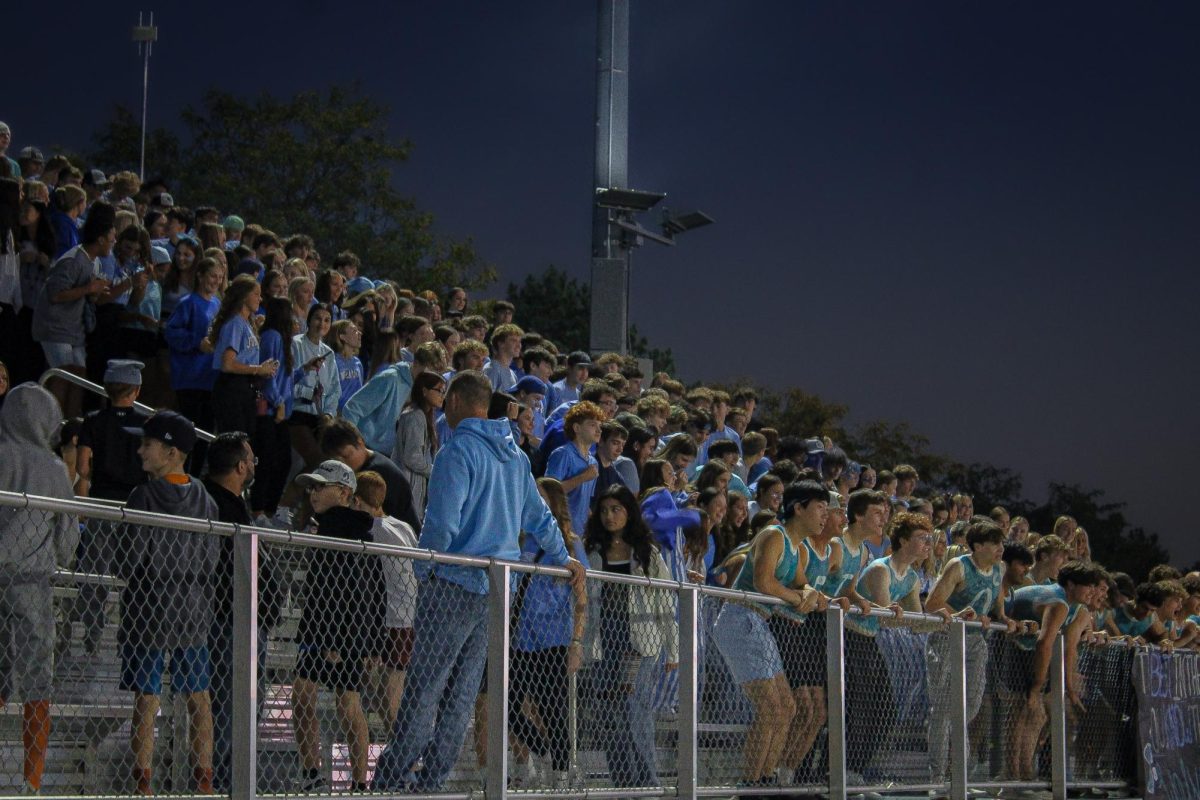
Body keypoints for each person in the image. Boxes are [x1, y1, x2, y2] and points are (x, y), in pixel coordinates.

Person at [372, 370, 586, 792]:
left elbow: (442, 527)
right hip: (497, 590)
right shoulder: (516, 456)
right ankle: (429, 782)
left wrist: (424, 569)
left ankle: (390, 782)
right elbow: (540, 519)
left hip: (453, 583)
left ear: (454, 402)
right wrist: (565, 557)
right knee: (462, 698)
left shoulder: (458, 450)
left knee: (424, 690)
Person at [115, 411, 219, 795]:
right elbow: (211, 559)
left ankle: (143, 783)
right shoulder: (204, 499)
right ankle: (202, 779)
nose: (140, 450)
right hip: (193, 610)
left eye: (147, 444)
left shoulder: (143, 496)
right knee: (199, 697)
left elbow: (128, 559)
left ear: (173, 452)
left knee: (147, 697)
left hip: (149, 609)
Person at [711, 480, 828, 793]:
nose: (825, 516)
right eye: (819, 508)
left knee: (786, 708)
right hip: (739, 619)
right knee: (770, 708)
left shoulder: (799, 549)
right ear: (798, 507)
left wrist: (811, 593)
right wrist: (796, 598)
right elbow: (764, 582)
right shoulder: (774, 534)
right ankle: (749, 784)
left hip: (758, 623)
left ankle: (765, 780)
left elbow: (802, 584)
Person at [0, 383, 80, 794]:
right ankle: (32, 779)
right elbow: (67, 541)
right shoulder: (53, 469)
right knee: (36, 680)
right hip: (31, 581)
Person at [290, 460, 386, 792]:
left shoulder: (349, 529)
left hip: (339, 633)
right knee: (307, 698)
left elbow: (362, 590)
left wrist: (361, 641)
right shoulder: (331, 525)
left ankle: (358, 781)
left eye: (320, 486)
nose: (312, 492)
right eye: (311, 487)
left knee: (347, 703)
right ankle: (318, 775)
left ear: (344, 492)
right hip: (323, 629)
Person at [583, 485, 679, 788]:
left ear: (629, 512)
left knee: (634, 708)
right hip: (603, 640)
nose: (610, 516)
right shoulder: (593, 552)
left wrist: (673, 650)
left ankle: (646, 783)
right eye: (605, 510)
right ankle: (622, 784)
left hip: (639, 642)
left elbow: (666, 602)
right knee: (610, 715)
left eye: (616, 509)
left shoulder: (647, 553)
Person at [201, 432, 281, 793]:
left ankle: (229, 781)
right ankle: (224, 783)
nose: (254, 467)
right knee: (231, 709)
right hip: (229, 621)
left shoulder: (228, 502)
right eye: (251, 461)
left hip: (243, 621)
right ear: (239, 467)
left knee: (239, 708)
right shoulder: (214, 504)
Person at [844, 511, 946, 784]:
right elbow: (886, 616)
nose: (928, 544)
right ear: (902, 541)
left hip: (868, 640)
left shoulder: (911, 577)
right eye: (921, 538)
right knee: (861, 708)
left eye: (929, 539)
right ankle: (842, 771)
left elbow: (913, 624)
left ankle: (855, 770)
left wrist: (945, 620)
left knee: (885, 708)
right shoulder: (881, 569)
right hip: (849, 637)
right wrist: (896, 615)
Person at [923, 519, 1017, 783]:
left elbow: (996, 601)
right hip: (946, 639)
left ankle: (958, 772)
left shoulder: (999, 568)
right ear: (977, 546)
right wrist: (960, 615)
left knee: (970, 706)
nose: (1001, 548)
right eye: (994, 543)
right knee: (942, 709)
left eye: (1002, 542)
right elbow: (932, 604)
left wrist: (1003, 617)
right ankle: (937, 778)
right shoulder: (959, 566)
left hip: (976, 642)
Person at [508, 478, 589, 788]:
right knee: (509, 706)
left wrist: (577, 642)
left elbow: (581, 598)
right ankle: (542, 752)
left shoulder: (568, 544)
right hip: (519, 636)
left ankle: (562, 768)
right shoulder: (519, 540)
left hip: (552, 638)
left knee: (553, 707)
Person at [1003, 560, 1106, 783]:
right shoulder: (1059, 602)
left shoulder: (1081, 611)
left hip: (1026, 647)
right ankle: (1011, 776)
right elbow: (1045, 643)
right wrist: (1037, 687)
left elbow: (1069, 649)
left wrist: (1070, 688)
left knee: (1037, 715)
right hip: (1010, 643)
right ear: (1070, 585)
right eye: (1088, 586)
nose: (1093, 592)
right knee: (1020, 712)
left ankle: (1024, 774)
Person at [31, 202, 117, 418]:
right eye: (111, 238)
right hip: (54, 328)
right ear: (100, 239)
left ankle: (70, 424)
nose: (113, 242)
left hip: (74, 330)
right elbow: (55, 294)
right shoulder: (72, 260)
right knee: (62, 375)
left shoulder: (94, 262)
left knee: (79, 376)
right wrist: (88, 288)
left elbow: (93, 298)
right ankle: (52, 424)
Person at [351, 471, 418, 728]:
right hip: (408, 615)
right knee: (383, 694)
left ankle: (404, 755)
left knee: (390, 693)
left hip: (394, 619)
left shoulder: (372, 531)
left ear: (357, 501)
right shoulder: (402, 526)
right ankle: (398, 748)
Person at [163, 256, 223, 473]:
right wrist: (196, 343)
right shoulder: (187, 303)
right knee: (188, 432)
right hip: (189, 378)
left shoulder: (218, 304)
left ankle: (195, 477)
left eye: (219, 277)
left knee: (205, 435)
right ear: (200, 276)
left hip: (210, 379)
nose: (216, 281)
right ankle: (180, 473)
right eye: (212, 276)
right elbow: (171, 332)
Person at [320, 419, 421, 532]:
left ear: (360, 442)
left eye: (347, 456)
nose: (344, 464)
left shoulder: (376, 473)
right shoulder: (359, 469)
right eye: (337, 461)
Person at [209, 275, 278, 435]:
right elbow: (228, 364)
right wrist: (258, 369)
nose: (260, 299)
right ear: (243, 295)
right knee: (235, 440)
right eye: (256, 294)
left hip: (245, 388)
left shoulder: (246, 324)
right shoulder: (235, 324)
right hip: (232, 388)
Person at [546, 401, 606, 535]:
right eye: (592, 424)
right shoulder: (562, 454)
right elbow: (549, 493)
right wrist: (582, 477)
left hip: (580, 533)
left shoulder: (593, 462)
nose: (599, 430)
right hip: (559, 531)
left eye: (600, 425)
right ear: (577, 428)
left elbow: (584, 504)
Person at [290, 303, 338, 468]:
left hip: (319, 419)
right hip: (297, 415)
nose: (322, 324)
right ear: (309, 320)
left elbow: (334, 389)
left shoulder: (329, 353)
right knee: (309, 463)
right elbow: (287, 382)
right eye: (318, 318)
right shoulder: (296, 344)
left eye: (327, 320)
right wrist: (309, 393)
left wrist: (329, 414)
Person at [391, 371, 445, 517]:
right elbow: (412, 457)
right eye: (439, 390)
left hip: (414, 488)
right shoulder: (415, 416)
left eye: (444, 391)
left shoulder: (422, 415)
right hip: (408, 487)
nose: (442, 395)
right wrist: (436, 471)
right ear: (424, 390)